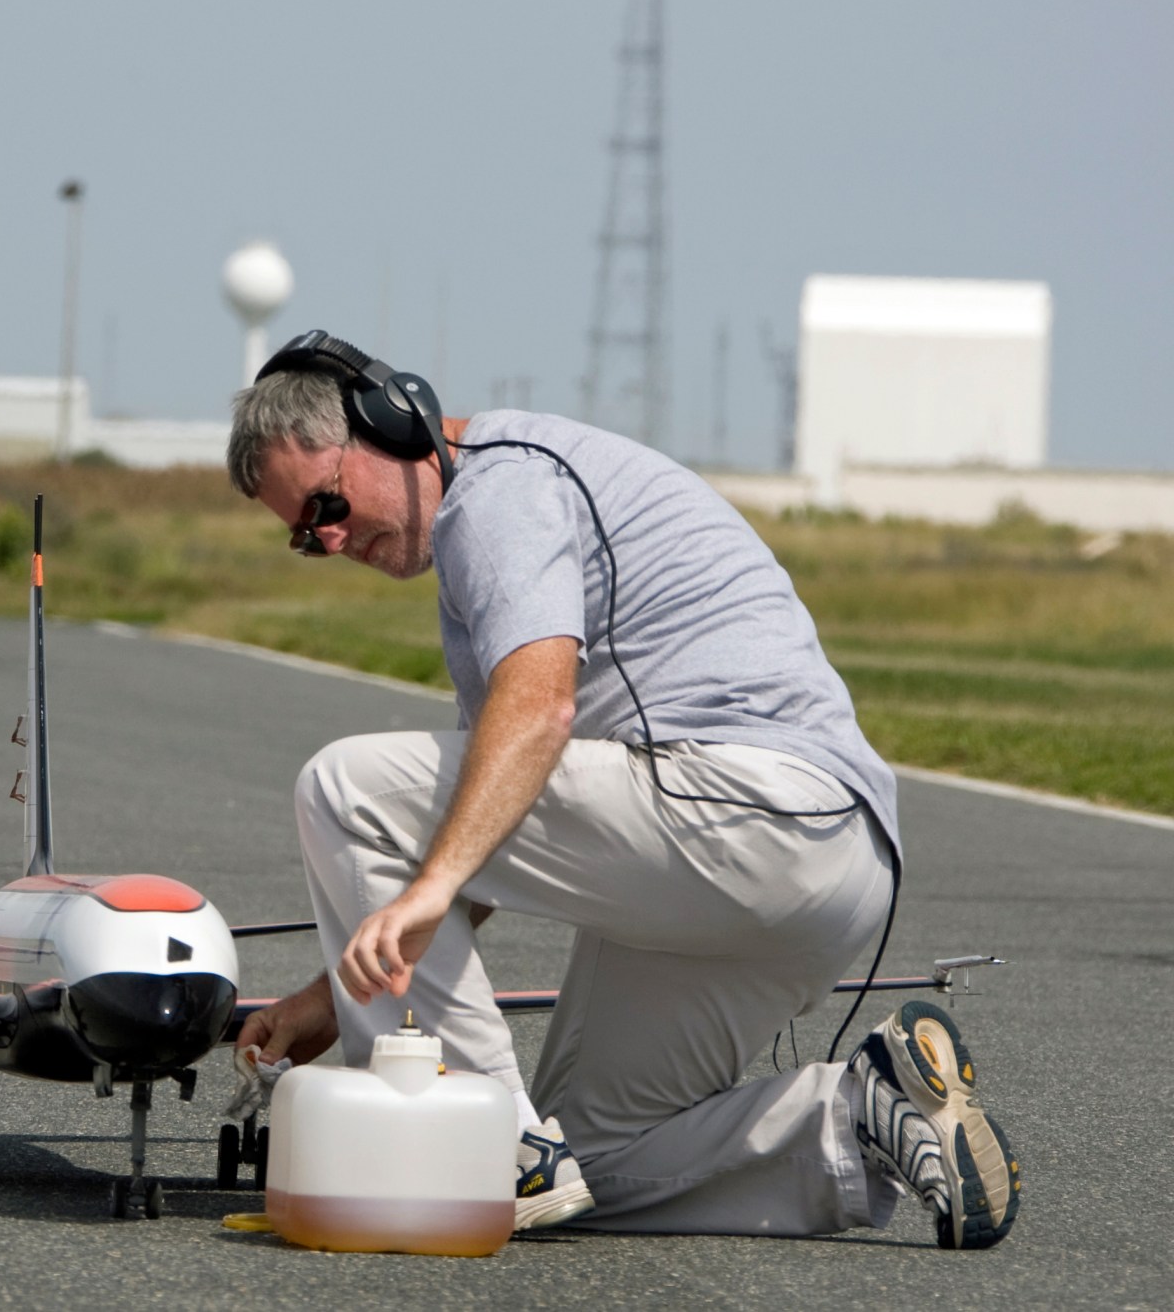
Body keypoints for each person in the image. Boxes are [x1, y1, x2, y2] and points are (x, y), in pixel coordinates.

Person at [226, 333, 1018, 1247]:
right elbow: (487, 825)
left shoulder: (499, 493)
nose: (327, 536)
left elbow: (538, 718)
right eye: (302, 535)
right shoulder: (505, 509)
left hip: (746, 810)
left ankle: (468, 1141)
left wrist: (431, 886)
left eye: (327, 502)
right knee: (588, 1157)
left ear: (391, 420)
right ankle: (856, 1115)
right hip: (819, 866)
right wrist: (326, 1002)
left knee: (344, 784)